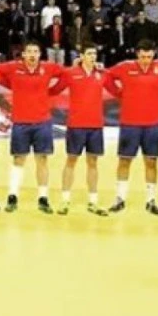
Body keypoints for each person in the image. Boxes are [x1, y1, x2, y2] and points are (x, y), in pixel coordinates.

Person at [0, 40, 64, 213]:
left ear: (40, 54)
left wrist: (53, 90)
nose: (32, 55)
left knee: (42, 160)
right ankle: (12, 196)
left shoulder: (48, 68)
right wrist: (10, 84)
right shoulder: (13, 67)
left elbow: (67, 75)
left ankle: (43, 198)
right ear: (23, 54)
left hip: (42, 122)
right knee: (18, 160)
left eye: (35, 52)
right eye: (29, 52)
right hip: (21, 122)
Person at [104, 39, 158, 215]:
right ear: (137, 54)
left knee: (151, 161)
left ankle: (151, 201)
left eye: (149, 57)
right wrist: (118, 93)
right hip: (130, 123)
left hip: (152, 123)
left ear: (154, 54)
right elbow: (106, 76)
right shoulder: (125, 67)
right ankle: (120, 199)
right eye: (143, 57)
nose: (146, 60)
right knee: (124, 160)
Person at [48, 43, 116, 216]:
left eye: (94, 54)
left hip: (95, 126)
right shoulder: (71, 73)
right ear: (82, 56)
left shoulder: (102, 74)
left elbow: (117, 91)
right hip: (76, 125)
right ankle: (65, 200)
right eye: (89, 54)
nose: (93, 57)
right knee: (71, 161)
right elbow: (54, 90)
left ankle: (93, 201)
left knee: (93, 163)